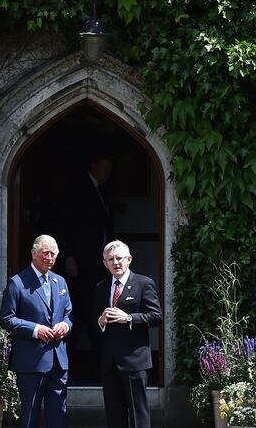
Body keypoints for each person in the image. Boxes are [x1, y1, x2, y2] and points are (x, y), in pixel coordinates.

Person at [0, 234, 73, 428]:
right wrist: (36, 329)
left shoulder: (60, 282)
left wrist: (65, 325)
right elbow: (6, 319)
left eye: (54, 254)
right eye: (45, 253)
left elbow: (69, 314)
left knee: (58, 415)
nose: (50, 258)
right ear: (33, 254)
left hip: (58, 361)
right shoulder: (17, 282)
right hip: (31, 362)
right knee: (30, 416)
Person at [94, 240, 163, 428]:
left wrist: (129, 318)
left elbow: (157, 316)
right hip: (110, 362)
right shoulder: (101, 287)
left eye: (119, 258)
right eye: (111, 259)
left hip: (135, 362)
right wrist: (101, 321)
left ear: (129, 259)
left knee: (138, 414)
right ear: (105, 263)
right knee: (114, 416)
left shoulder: (144, 283)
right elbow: (94, 319)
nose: (116, 263)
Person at [59, 153, 113, 375]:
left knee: (91, 310)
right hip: (80, 262)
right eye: (105, 168)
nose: (108, 173)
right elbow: (66, 223)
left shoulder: (102, 191)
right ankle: (66, 362)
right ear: (94, 165)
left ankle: (99, 363)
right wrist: (69, 256)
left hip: (96, 263)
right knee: (81, 311)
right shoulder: (78, 189)